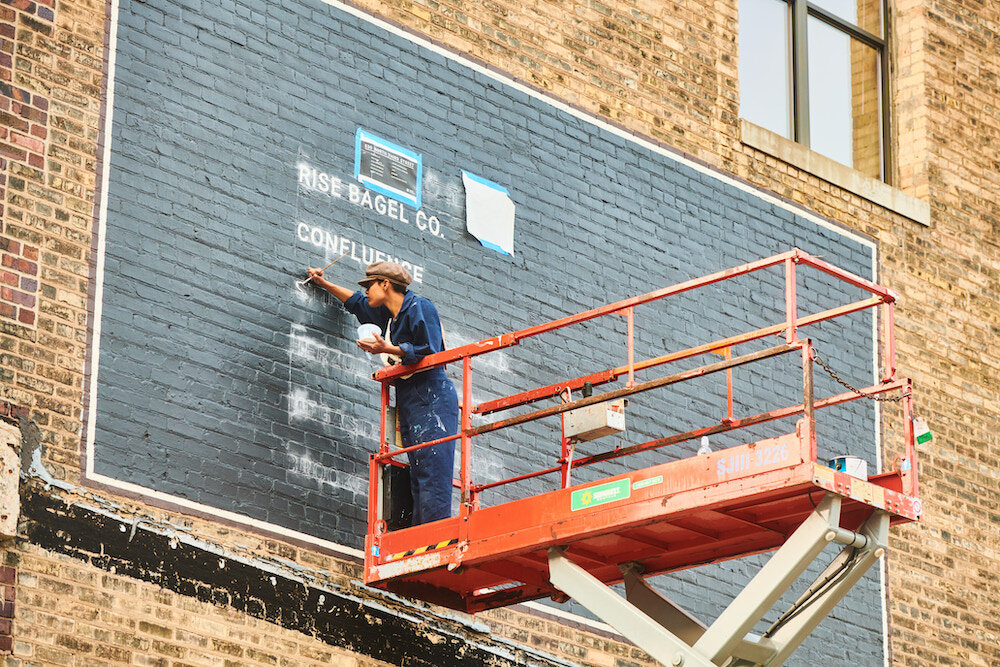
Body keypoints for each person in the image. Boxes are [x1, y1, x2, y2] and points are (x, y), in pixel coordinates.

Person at [305, 260, 459, 526]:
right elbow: (356, 303)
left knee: (434, 474)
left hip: (432, 396)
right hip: (410, 399)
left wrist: (388, 349)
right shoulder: (390, 318)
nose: (365, 291)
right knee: (419, 474)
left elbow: (431, 351)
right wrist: (324, 283)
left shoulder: (419, 307)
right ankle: (420, 539)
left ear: (385, 284)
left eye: (369, 285)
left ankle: (435, 539)